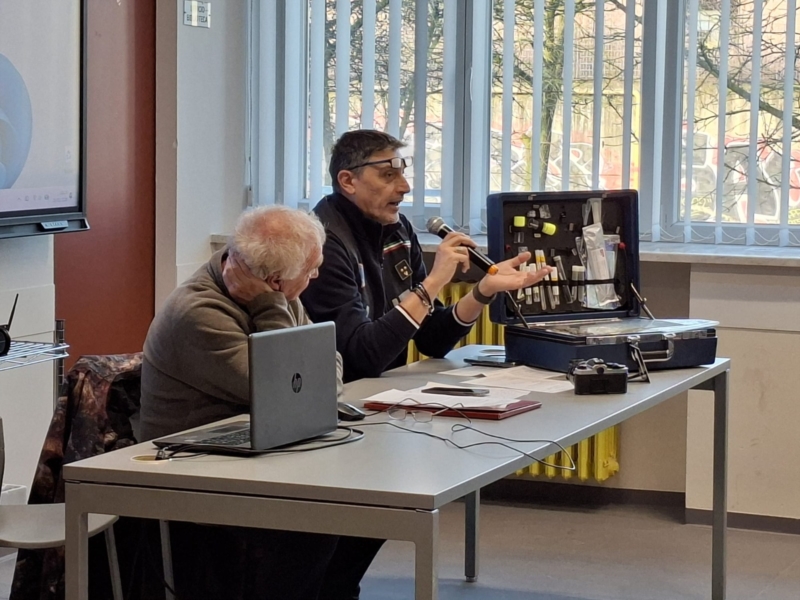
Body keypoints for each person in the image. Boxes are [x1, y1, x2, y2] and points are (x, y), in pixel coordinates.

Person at [139, 205, 380, 600]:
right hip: (197, 470)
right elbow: (288, 390)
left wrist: (277, 308)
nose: (316, 277)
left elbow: (324, 371)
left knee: (372, 508)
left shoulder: (280, 293)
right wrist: (272, 307)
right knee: (316, 525)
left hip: (257, 450)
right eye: (311, 271)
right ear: (273, 281)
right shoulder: (199, 313)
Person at [302, 129, 552, 383]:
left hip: (383, 391)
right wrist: (434, 282)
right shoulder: (322, 243)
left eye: (403, 174)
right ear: (348, 181)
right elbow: (361, 358)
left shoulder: (398, 230)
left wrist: (483, 290)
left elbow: (432, 339)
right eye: (388, 175)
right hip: (339, 395)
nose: (405, 187)